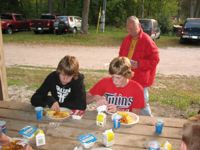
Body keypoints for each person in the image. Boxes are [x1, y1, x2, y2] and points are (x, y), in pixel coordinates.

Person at [119, 16, 160, 116]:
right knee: (129, 100)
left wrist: (139, 64)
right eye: (128, 29)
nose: (130, 31)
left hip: (141, 78)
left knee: (142, 102)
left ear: (139, 26)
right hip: (127, 76)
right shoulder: (126, 39)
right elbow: (120, 54)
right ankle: (131, 117)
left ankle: (149, 120)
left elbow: (155, 59)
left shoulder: (147, 40)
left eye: (133, 29)